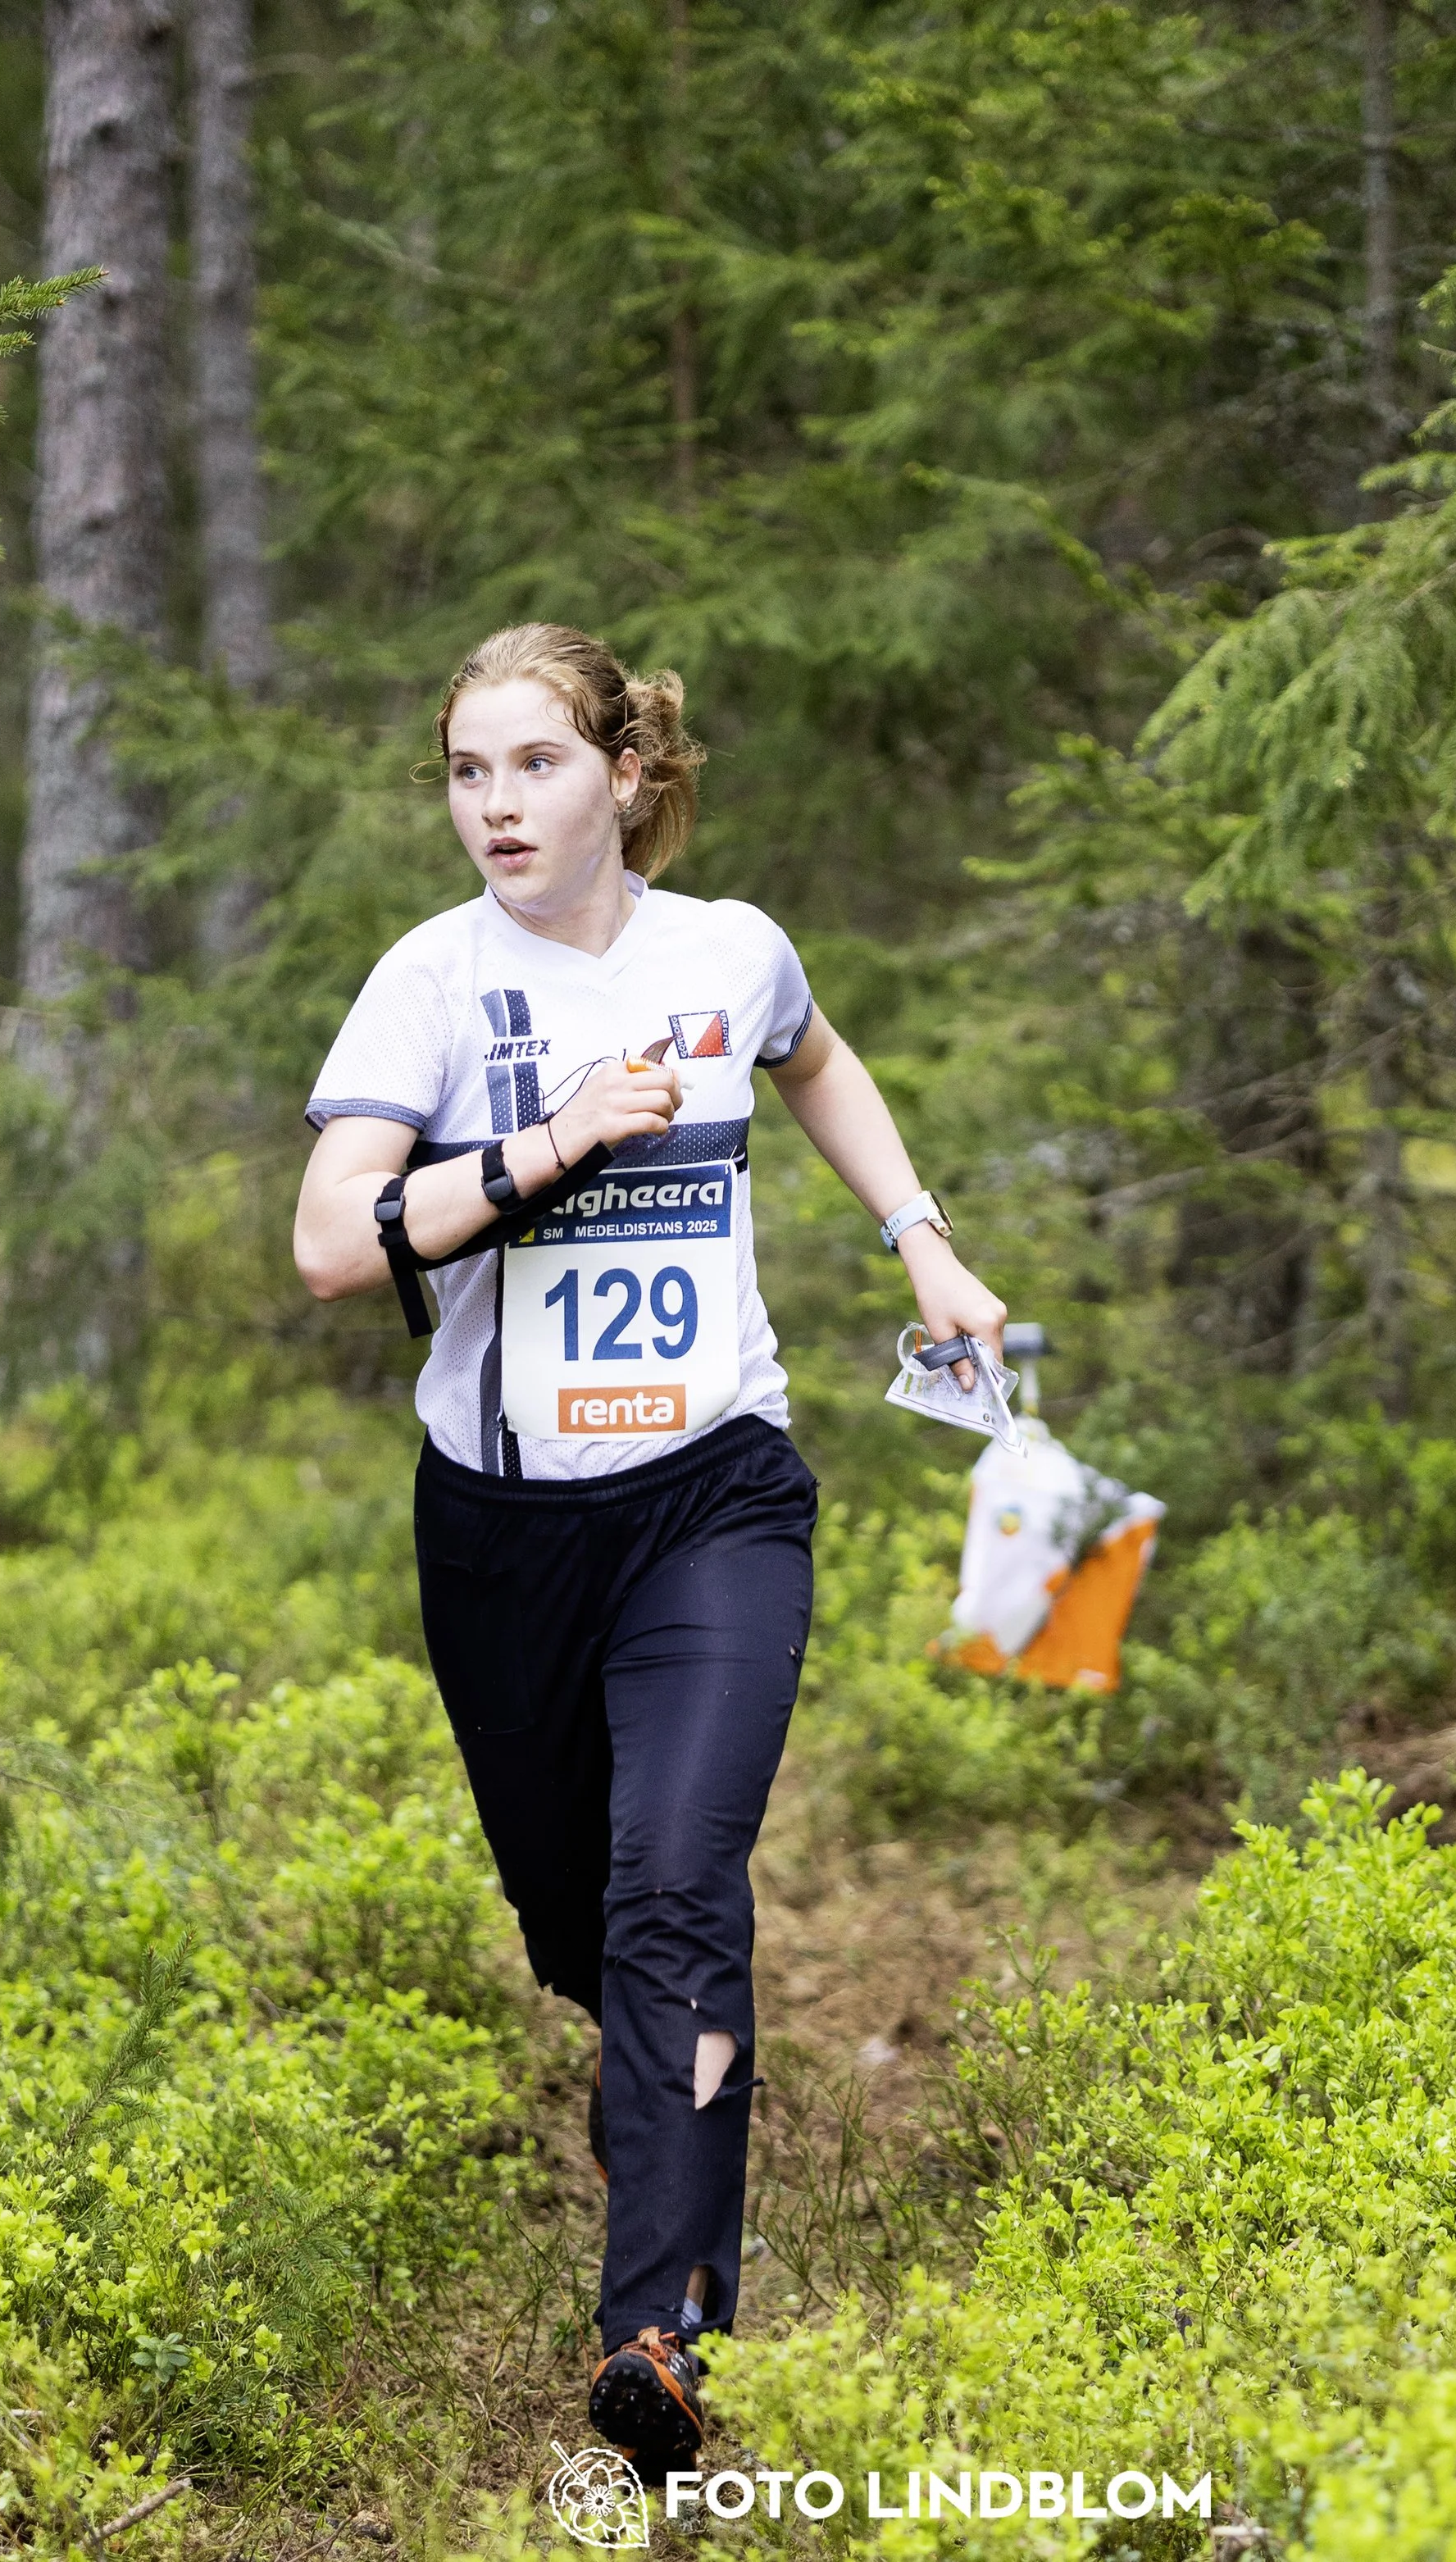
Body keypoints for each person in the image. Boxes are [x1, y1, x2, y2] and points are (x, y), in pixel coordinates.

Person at [292, 622, 1004, 2480]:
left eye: (531, 764)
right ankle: (660, 2135)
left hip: (714, 1493)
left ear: (620, 770)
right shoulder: (430, 984)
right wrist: (542, 1148)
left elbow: (819, 1058)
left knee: (679, 1874)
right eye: (465, 772)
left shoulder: (728, 948)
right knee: (588, 1926)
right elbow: (326, 1241)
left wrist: (919, 1237)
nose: (494, 806)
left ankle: (657, 2345)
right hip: (506, 1530)